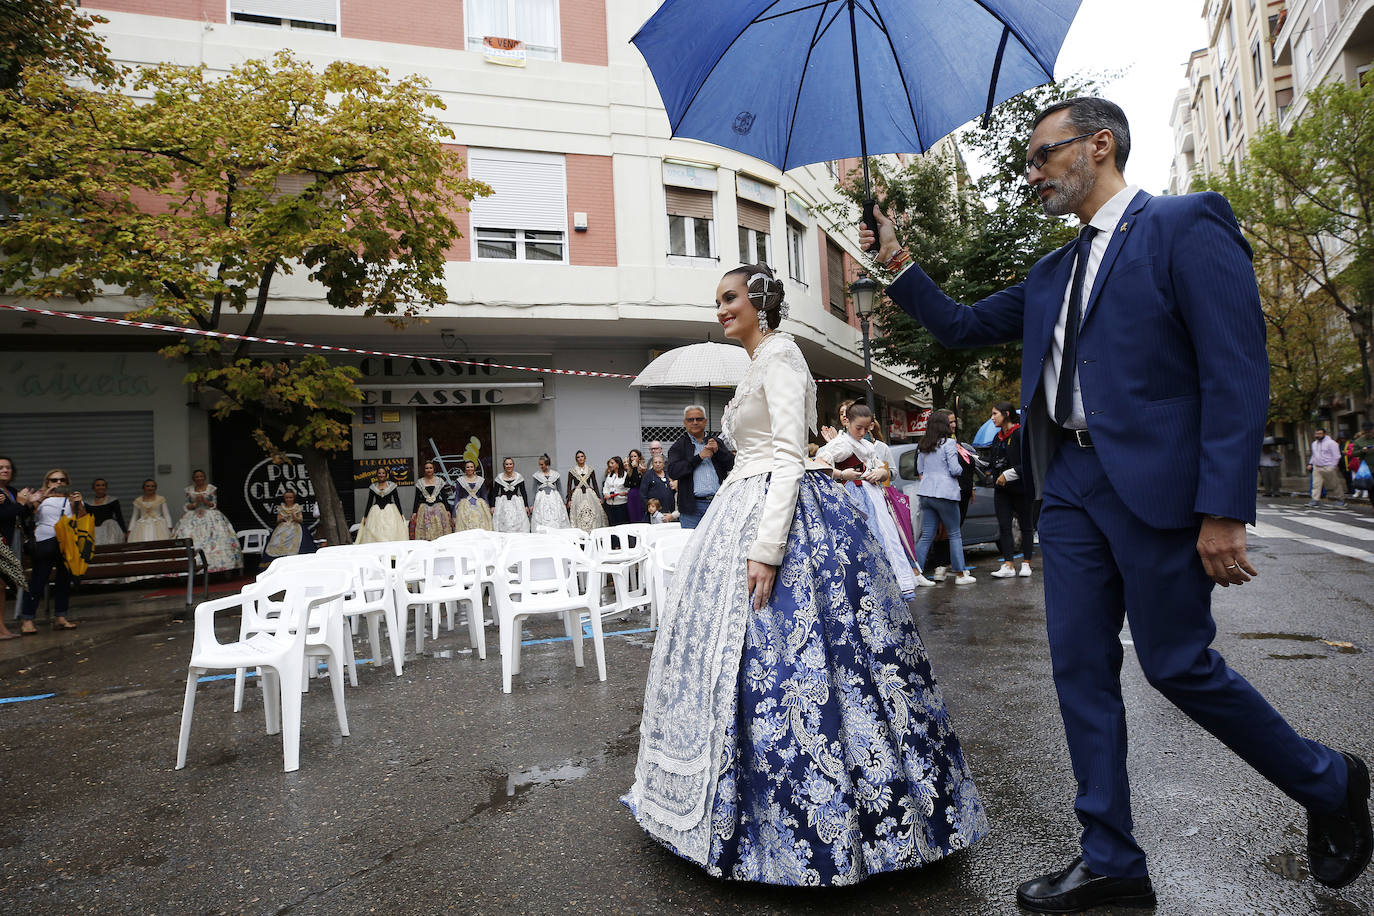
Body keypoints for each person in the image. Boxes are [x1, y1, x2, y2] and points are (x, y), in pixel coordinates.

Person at [863, 96, 1368, 908]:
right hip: (1068, 487)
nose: (1032, 174)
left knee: (1177, 667)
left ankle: (1329, 780)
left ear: (1099, 146)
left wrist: (1223, 507)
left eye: (1042, 156)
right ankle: (1112, 862)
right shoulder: (1050, 273)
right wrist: (897, 260)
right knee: (1079, 670)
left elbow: (1235, 371)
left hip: (1158, 489)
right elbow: (957, 326)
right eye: (1028, 161)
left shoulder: (1184, 225)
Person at [624, 262, 987, 886]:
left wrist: (768, 547)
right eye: (717, 301)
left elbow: (790, 459)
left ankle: (829, 826)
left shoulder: (784, 359)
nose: (721, 310)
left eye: (730, 298)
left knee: (810, 665)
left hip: (779, 516)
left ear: (760, 303)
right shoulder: (759, 364)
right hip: (744, 503)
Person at [815, 403, 919, 597]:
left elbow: (883, 469)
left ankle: (892, 588)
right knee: (866, 542)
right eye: (858, 428)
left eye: (866, 428)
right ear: (847, 423)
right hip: (854, 498)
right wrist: (841, 474)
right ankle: (874, 590)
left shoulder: (868, 445)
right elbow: (819, 463)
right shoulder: (841, 444)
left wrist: (880, 472)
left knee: (887, 539)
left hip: (875, 497)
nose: (862, 432)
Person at [910, 410, 974, 587]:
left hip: (926, 493)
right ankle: (961, 574)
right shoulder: (949, 443)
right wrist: (960, 471)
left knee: (927, 535)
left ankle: (916, 572)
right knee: (954, 533)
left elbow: (920, 469)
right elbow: (955, 469)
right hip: (946, 493)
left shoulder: (923, 444)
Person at [18, 469, 85, 633]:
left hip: (67, 542)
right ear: (47, 482)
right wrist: (40, 498)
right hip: (44, 541)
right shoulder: (40, 496)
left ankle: (60, 617)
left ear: (67, 482)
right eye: (54, 480)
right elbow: (29, 515)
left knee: (63, 580)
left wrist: (79, 503)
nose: (58, 483)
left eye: (62, 480)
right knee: (38, 580)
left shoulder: (71, 498)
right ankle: (27, 620)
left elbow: (83, 519)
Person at [667, 405, 734, 529]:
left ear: (705, 421)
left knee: (716, 544)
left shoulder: (715, 442)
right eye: (690, 420)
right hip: (692, 508)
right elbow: (673, 472)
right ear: (684, 423)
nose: (695, 422)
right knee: (691, 544)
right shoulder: (679, 446)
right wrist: (699, 457)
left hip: (717, 503)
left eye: (699, 419)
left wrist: (718, 451)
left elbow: (732, 464)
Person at [987, 402, 1034, 579]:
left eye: (995, 414)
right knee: (1004, 526)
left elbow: (1029, 462)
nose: (992, 418)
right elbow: (993, 462)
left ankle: (1027, 563)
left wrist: (1010, 473)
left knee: (1026, 526)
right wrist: (988, 469)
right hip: (1001, 490)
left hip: (1021, 488)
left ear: (1006, 414)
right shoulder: (997, 437)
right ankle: (1008, 564)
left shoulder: (1021, 433)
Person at [171, 470, 243, 573]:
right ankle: (188, 566)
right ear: (193, 478)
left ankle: (220, 566)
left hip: (210, 515)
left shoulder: (211, 488)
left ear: (204, 477)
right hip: (193, 516)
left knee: (217, 538)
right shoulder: (189, 490)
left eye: (201, 476)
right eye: (197, 476)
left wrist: (204, 501)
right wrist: (196, 503)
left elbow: (213, 505)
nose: (199, 478)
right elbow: (187, 506)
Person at [0, 456, 32, 640]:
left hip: (11, 541)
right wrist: (20, 503)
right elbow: (4, 516)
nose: (5, 470)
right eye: (1, 467)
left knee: (2, 586)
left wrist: (29, 504)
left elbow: (17, 516)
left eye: (8, 467)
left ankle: (2, 627)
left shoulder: (11, 490)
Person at [354, 466, 408, 543]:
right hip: (376, 512)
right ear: (377, 475)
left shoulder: (392, 486)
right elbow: (369, 502)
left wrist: (401, 514)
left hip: (390, 511)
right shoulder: (373, 487)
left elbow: (397, 500)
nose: (381, 475)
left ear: (386, 475)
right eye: (379, 473)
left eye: (383, 473)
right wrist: (365, 516)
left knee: (391, 529)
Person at [264, 490, 316, 558]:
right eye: (287, 498)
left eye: (290, 497)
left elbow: (300, 520)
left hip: (295, 526)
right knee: (277, 540)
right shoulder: (281, 507)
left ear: (294, 498)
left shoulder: (297, 507)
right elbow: (278, 520)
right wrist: (281, 519)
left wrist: (295, 518)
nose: (289, 499)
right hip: (283, 527)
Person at [410, 461, 454, 540]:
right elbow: (416, 498)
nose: (429, 470)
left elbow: (444, 497)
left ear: (434, 469)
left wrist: (447, 510)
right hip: (424, 508)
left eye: (430, 468)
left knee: (439, 528)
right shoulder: (420, 482)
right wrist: (414, 512)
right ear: (424, 470)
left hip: (437, 508)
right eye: (427, 468)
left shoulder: (440, 481)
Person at [566, 451, 606, 532]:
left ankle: (592, 530)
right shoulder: (572, 471)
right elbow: (569, 486)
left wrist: (598, 497)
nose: (580, 458)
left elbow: (595, 484)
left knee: (592, 511)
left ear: (585, 458)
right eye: (578, 457)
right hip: (577, 494)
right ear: (576, 459)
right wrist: (569, 499)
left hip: (589, 493)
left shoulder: (590, 470)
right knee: (579, 512)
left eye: (582, 456)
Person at [1307, 428, 1347, 508]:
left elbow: (1337, 456)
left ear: (1324, 434)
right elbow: (1314, 455)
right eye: (1316, 434)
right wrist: (1310, 463)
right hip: (1317, 467)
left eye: (1320, 434)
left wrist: (1332, 466)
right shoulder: (1314, 444)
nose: (1317, 435)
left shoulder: (1331, 443)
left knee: (1334, 484)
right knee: (1316, 484)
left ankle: (1341, 499)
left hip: (1327, 466)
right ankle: (1315, 500)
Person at [530, 454, 570, 530]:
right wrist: (531, 504)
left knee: (556, 515)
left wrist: (564, 502)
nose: (541, 466)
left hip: (554, 497)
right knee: (542, 515)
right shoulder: (537, 475)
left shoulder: (555, 474)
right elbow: (533, 490)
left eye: (542, 464)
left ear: (547, 464)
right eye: (539, 465)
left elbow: (560, 488)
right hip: (541, 498)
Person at [491, 457, 531, 533]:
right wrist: (493, 506)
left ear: (513, 465)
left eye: (510, 464)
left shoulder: (519, 477)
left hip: (516, 502)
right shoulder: (499, 478)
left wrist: (526, 505)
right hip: (502, 503)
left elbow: (523, 492)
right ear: (504, 466)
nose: (509, 466)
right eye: (507, 464)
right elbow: (494, 493)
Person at [87, 478, 127, 546]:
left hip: (109, 529)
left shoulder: (113, 500)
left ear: (106, 487)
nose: (100, 487)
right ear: (93, 487)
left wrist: (124, 531)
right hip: (94, 530)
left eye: (103, 485)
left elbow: (119, 516)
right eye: (98, 485)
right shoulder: (87, 503)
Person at [639, 453, 676, 517]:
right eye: (655, 462)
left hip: (670, 510)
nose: (658, 464)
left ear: (663, 464)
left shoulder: (668, 474)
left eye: (660, 462)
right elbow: (642, 494)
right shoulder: (648, 475)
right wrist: (650, 508)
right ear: (652, 464)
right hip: (655, 512)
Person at [602, 456, 629, 526]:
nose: (610, 465)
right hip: (610, 504)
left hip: (621, 504)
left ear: (618, 464)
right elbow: (606, 486)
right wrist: (606, 493)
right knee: (612, 524)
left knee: (622, 525)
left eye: (612, 463)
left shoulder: (625, 475)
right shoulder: (610, 475)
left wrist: (618, 494)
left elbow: (627, 489)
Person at [624, 448, 647, 523]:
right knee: (633, 514)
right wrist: (633, 469)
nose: (633, 458)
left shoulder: (643, 468)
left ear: (639, 457)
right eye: (631, 456)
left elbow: (638, 482)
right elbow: (626, 484)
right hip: (632, 494)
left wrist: (635, 468)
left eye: (635, 456)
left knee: (641, 513)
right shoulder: (630, 469)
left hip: (641, 493)